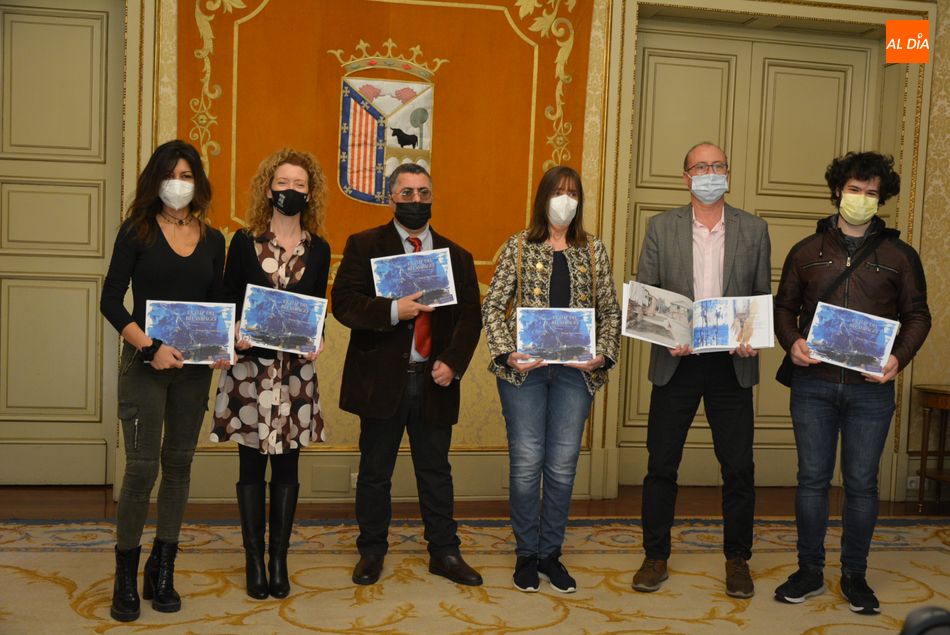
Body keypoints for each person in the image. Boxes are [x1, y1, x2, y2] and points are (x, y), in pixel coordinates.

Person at [773, 151, 930, 615]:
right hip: (814, 383)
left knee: (861, 483)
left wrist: (898, 359)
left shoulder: (901, 256)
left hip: (870, 387)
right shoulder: (805, 251)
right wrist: (792, 342)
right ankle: (809, 570)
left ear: (882, 199)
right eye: (854, 189)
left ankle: (855, 576)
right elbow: (784, 308)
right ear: (837, 192)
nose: (861, 199)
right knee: (812, 480)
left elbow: (918, 316)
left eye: (871, 193)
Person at [331, 163, 483, 587]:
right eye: (407, 193)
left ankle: (444, 552)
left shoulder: (457, 256)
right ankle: (372, 551)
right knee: (375, 470)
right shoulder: (364, 246)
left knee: (435, 471)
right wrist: (394, 310)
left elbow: (472, 317)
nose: (416, 201)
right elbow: (344, 304)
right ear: (390, 197)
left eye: (423, 193)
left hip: (435, 379)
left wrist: (452, 362)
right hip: (380, 381)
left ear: (432, 197)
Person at [631, 142, 771, 599]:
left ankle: (738, 560)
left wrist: (753, 338)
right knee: (661, 465)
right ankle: (655, 557)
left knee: (738, 468)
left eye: (718, 166)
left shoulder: (754, 229)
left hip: (732, 366)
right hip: (677, 364)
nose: (710, 173)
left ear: (727, 172)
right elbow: (646, 298)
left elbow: (758, 299)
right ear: (686, 177)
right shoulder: (660, 227)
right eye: (701, 167)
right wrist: (665, 334)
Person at [100, 140, 226, 621]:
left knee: (179, 468)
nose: (180, 182)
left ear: (199, 183)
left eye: (188, 175)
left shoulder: (214, 240)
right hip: (146, 367)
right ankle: (125, 577)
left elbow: (217, 305)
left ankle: (163, 567)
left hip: (193, 374)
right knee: (140, 470)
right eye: (172, 174)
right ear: (157, 180)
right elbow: (112, 300)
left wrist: (220, 344)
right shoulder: (136, 231)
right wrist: (149, 347)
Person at [482, 165, 621, 593]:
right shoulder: (518, 247)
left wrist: (602, 354)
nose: (566, 200)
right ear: (543, 198)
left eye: (573, 193)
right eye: (558, 192)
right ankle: (526, 555)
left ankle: (551, 554)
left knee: (562, 467)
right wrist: (508, 353)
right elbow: (492, 306)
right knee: (526, 465)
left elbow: (610, 312)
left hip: (575, 376)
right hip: (525, 374)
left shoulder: (593, 250)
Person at [209, 148, 331, 599]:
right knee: (250, 466)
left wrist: (319, 337)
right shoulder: (242, 242)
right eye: (283, 183)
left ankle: (279, 558)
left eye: (300, 185)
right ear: (268, 188)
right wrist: (232, 330)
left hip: (295, 375)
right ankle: (253, 560)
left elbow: (318, 308)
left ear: (309, 193)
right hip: (248, 372)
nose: (291, 191)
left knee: (287, 465)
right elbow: (227, 299)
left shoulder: (319, 249)